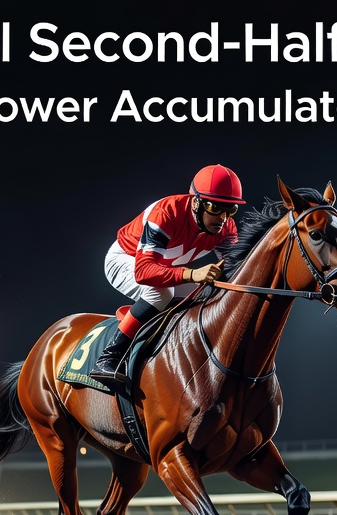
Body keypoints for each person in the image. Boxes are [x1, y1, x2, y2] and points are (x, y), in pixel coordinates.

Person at [89, 164, 246, 389]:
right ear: (196, 202)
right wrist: (192, 273)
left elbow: (235, 272)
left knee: (207, 294)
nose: (222, 218)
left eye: (230, 210)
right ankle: (109, 357)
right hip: (126, 259)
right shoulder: (166, 213)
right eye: (214, 207)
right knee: (161, 292)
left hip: (164, 265)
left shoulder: (226, 228)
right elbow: (144, 272)